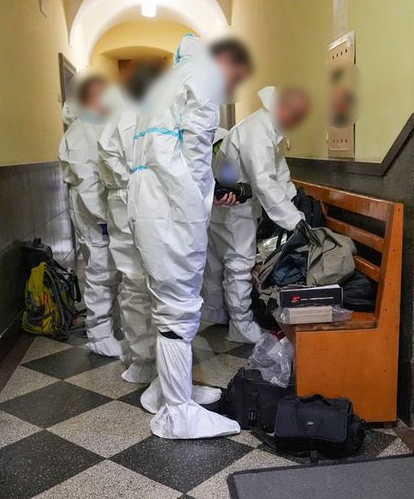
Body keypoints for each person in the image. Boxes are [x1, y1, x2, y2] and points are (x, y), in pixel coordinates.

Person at [128, 35, 253, 439]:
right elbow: (197, 149)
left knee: (165, 301)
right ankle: (179, 412)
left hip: (148, 201)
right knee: (179, 307)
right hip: (171, 208)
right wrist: (198, 205)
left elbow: (164, 146)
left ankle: (166, 389)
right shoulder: (203, 74)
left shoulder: (167, 81)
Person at [203, 87, 310, 343]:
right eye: (295, 115)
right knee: (239, 265)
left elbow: (279, 174)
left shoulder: (264, 128)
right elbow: (264, 183)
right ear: (282, 107)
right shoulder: (259, 131)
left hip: (227, 205)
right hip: (234, 209)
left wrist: (293, 202)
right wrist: (296, 222)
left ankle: (216, 312)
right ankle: (241, 326)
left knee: (217, 263)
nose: (296, 121)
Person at [98, 65, 164, 383]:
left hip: (139, 203)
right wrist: (137, 183)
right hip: (129, 204)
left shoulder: (146, 115)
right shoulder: (124, 116)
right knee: (137, 283)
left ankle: (146, 356)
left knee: (144, 284)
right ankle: (142, 359)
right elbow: (111, 160)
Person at [60, 75, 124, 357]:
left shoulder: (98, 124)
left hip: (104, 213)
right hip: (93, 214)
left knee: (111, 271)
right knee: (100, 271)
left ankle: (110, 326)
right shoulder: (81, 130)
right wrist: (105, 218)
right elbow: (87, 182)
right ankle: (99, 334)